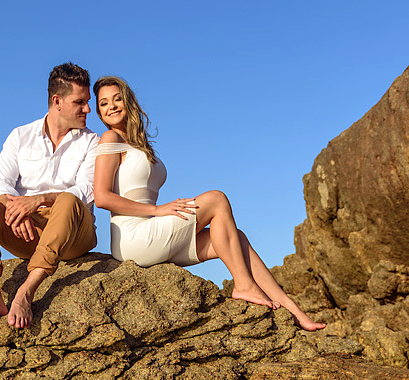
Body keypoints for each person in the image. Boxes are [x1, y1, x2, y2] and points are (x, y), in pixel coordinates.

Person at [92, 76, 324, 331]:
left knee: (236, 237)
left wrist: (157, 215)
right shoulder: (110, 139)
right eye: (104, 103)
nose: (111, 106)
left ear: (128, 101)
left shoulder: (139, 144)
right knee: (216, 199)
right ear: (100, 112)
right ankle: (244, 285)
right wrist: (157, 210)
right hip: (134, 240)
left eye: (116, 99)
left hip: (151, 234)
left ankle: (296, 313)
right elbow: (102, 197)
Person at [0, 63, 100, 328]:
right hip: (27, 231)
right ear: (56, 101)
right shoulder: (20, 135)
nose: (87, 109)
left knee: (68, 200)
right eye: (80, 102)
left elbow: (86, 190)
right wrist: (17, 210)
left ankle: (26, 291)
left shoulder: (92, 141)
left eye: (87, 102)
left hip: (73, 232)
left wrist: (39, 200)